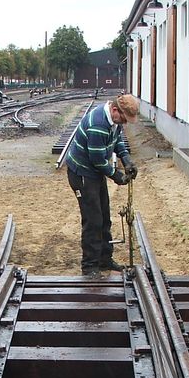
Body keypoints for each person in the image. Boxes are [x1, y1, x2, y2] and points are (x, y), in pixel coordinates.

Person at [65, 93, 139, 276]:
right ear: (115, 110)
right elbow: (98, 160)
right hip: (82, 174)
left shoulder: (114, 122)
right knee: (93, 220)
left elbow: (117, 141)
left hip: (94, 173)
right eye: (123, 118)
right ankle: (89, 266)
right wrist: (117, 176)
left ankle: (104, 260)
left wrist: (127, 159)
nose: (124, 123)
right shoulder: (98, 124)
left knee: (104, 216)